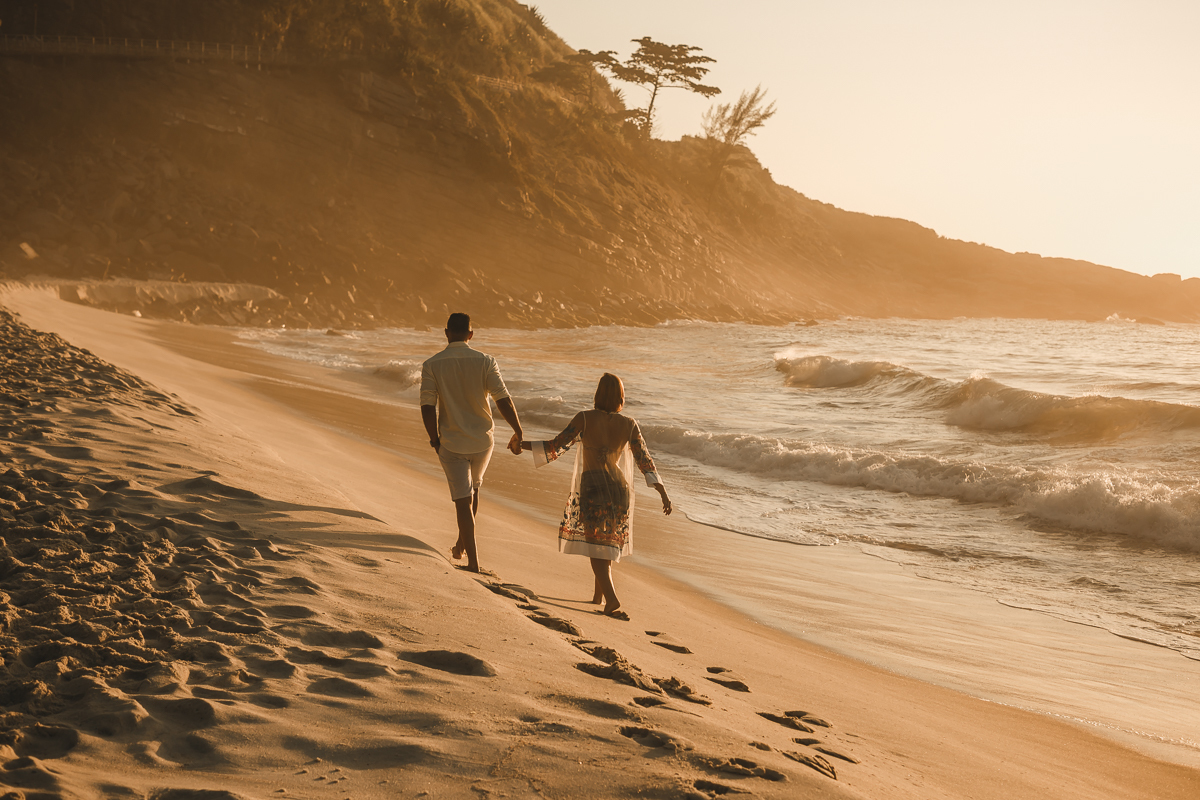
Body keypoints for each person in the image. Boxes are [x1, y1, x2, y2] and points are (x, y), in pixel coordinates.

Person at [520, 373, 671, 618]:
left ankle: (611, 599)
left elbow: (556, 445)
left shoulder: (584, 418)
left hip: (594, 487)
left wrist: (521, 445)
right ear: (620, 397)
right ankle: (598, 597)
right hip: (619, 489)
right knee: (606, 542)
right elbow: (645, 460)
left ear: (598, 394)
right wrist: (662, 492)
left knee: (595, 545)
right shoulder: (629, 424)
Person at [420, 312, 523, 573]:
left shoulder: (432, 364)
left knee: (463, 499)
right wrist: (518, 431)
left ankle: (473, 563)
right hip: (482, 442)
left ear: (446, 333)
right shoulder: (486, 361)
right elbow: (503, 399)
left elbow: (427, 406)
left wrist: (434, 440)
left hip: (452, 442)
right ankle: (460, 545)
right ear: (471, 334)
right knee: (473, 490)